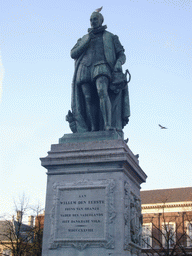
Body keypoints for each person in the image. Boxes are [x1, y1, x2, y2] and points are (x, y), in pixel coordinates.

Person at [66, 11, 130, 133]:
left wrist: (118, 63)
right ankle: (93, 128)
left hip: (102, 65)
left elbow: (121, 55)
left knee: (102, 92)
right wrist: (87, 41)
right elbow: (73, 54)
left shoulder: (111, 37)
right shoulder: (84, 38)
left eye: (95, 19)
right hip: (85, 68)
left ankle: (107, 124)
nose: (93, 21)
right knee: (88, 98)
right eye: (91, 19)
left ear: (101, 20)